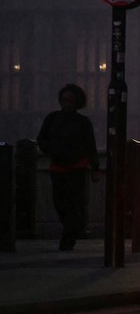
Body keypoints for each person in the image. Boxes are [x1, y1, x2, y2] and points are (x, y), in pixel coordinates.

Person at [36, 83, 100, 250]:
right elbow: (41, 139)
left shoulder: (83, 122)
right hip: (58, 167)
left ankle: (68, 238)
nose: (67, 104)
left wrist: (95, 167)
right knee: (60, 203)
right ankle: (70, 231)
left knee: (74, 205)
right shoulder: (52, 119)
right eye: (65, 100)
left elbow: (90, 146)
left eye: (70, 100)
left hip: (76, 168)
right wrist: (51, 149)